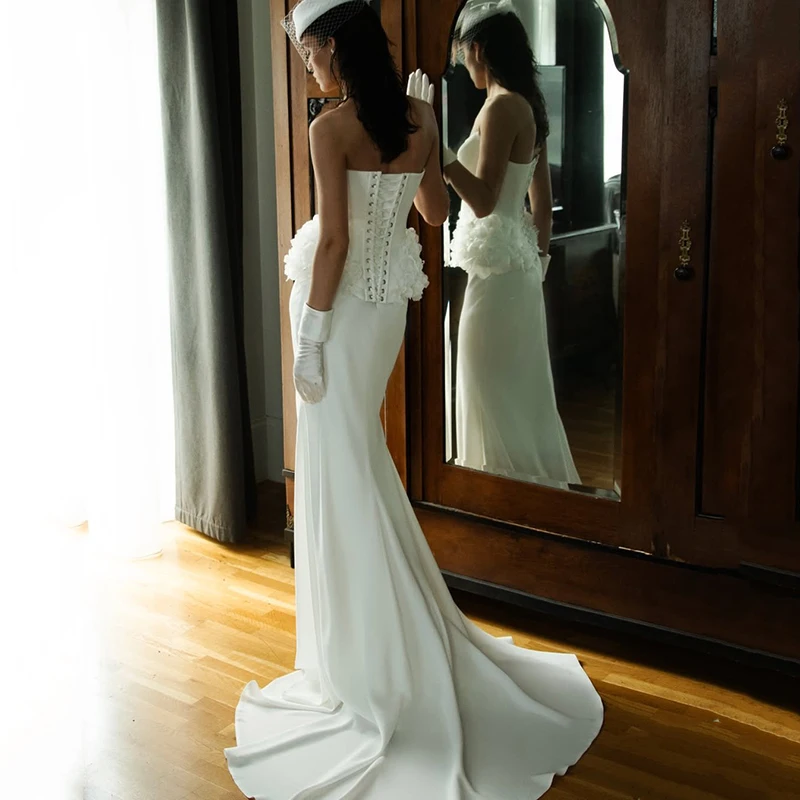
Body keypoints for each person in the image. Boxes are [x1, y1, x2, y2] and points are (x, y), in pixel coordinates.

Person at [225, 1, 602, 797]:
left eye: (308, 57)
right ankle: (382, 640)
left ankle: (364, 662)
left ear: (331, 46)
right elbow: (434, 213)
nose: (309, 70)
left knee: (342, 468)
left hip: (339, 311)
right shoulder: (421, 116)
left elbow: (331, 239)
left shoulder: (330, 129)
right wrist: (427, 131)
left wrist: (310, 336)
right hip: (386, 312)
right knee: (358, 461)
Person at [446, 0, 581, 487]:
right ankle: (525, 498)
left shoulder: (503, 106)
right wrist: (535, 266)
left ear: (478, 49)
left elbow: (483, 200)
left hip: (500, 278)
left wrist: (440, 155)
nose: (463, 66)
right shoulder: (520, 103)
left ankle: (496, 499)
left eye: (463, 55)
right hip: (516, 272)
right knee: (517, 393)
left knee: (486, 387)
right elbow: (541, 206)